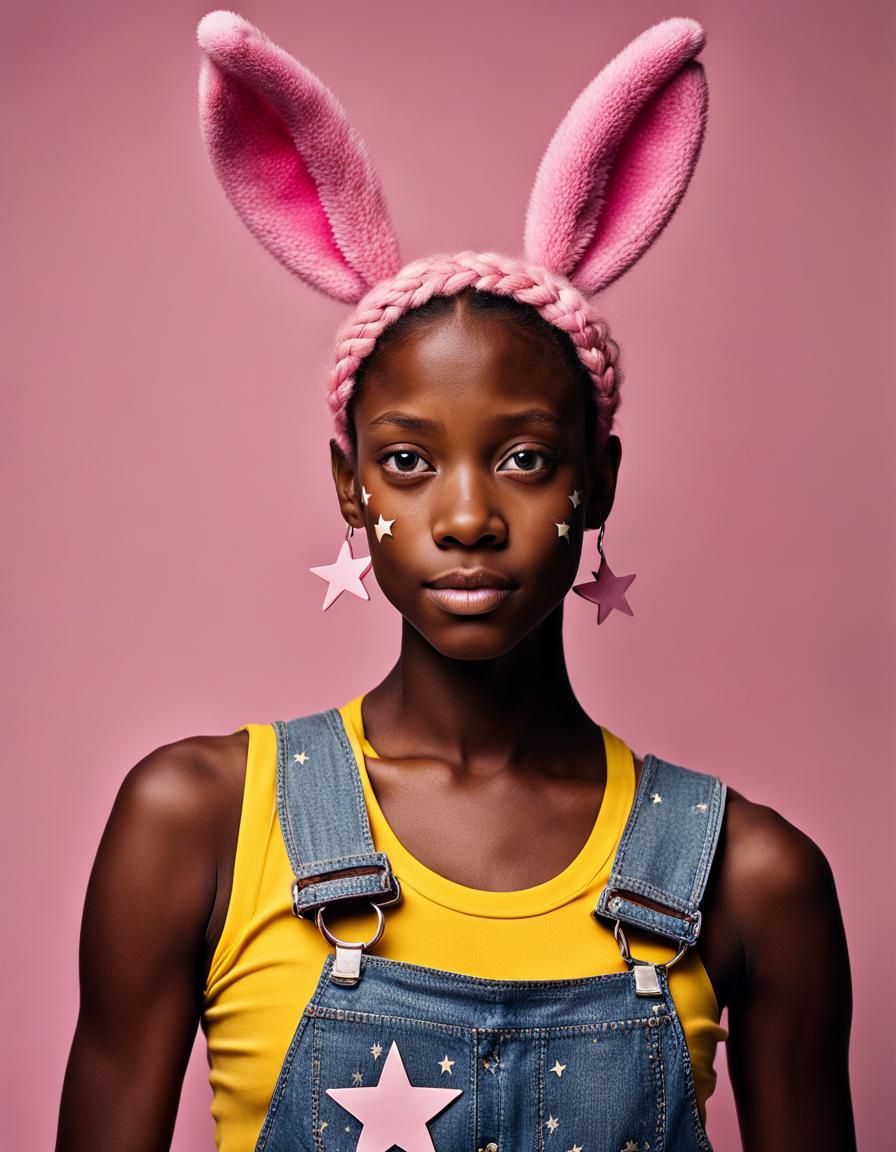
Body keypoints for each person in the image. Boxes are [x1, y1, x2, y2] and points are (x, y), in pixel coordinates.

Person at [55, 11, 856, 1152]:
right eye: (409, 462)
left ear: (599, 482)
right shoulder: (199, 827)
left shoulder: (750, 875)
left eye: (525, 459)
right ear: (349, 489)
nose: (470, 516)